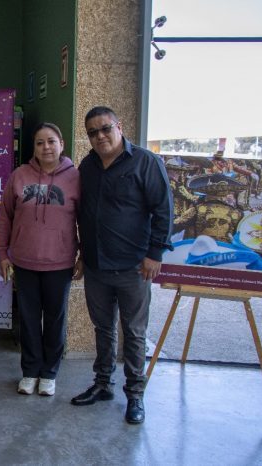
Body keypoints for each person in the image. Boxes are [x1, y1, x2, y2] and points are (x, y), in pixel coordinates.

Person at [72, 106, 173, 424]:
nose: (100, 136)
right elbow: (84, 214)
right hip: (96, 265)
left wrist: (155, 254)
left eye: (105, 128)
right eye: (92, 132)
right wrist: (82, 254)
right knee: (103, 329)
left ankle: (135, 395)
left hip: (134, 267)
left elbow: (163, 210)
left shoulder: (146, 162)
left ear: (119, 126)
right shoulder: (87, 166)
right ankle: (103, 384)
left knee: (134, 332)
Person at [0, 122, 82, 397]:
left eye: (51, 141)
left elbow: (86, 220)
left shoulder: (75, 178)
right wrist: (2, 253)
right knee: (29, 320)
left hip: (60, 263)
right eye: (40, 142)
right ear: (33, 147)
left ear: (61, 145)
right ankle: (30, 371)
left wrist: (84, 255)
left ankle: (49, 373)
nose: (46, 147)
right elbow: (5, 216)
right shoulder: (19, 176)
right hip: (24, 262)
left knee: (55, 320)